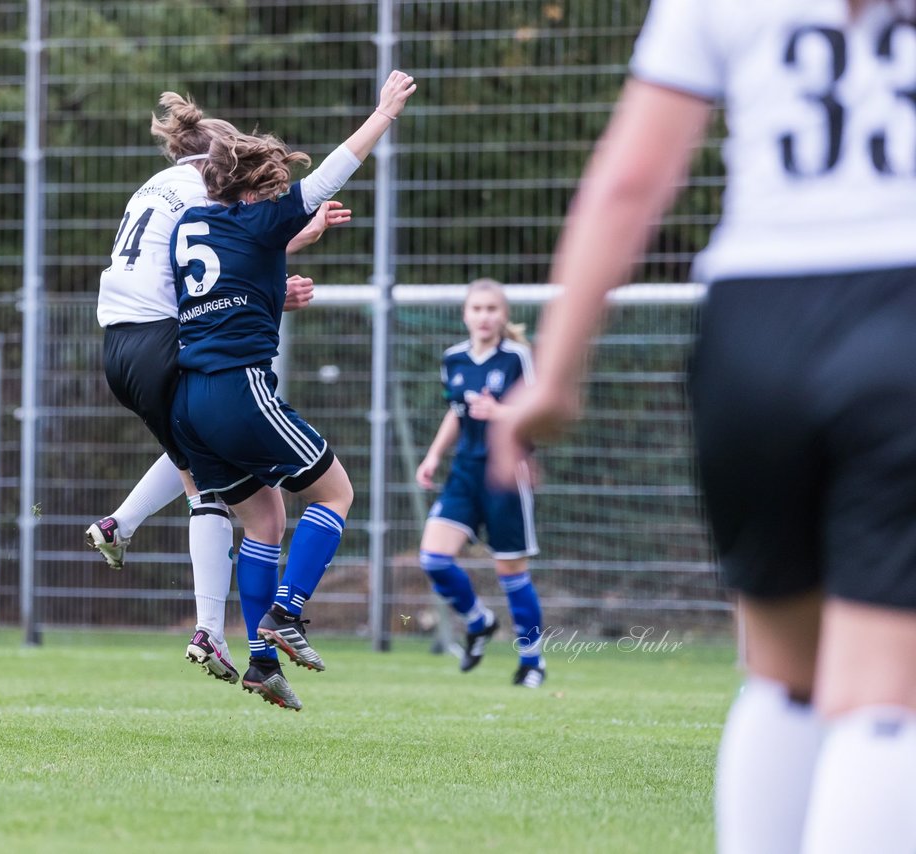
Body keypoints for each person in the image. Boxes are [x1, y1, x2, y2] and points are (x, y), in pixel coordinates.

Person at [493, 0, 916, 850]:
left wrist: (555, 374)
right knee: (884, 693)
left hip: (752, 331)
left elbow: (630, 181)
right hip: (902, 307)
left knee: (783, 675)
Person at [170, 70, 418, 710]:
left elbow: (237, 270)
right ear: (258, 191)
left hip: (190, 402)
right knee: (336, 492)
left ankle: (259, 662)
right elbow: (335, 169)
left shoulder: (192, 226)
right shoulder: (262, 220)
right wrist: (383, 114)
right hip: (239, 389)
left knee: (264, 519)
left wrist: (294, 239)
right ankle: (286, 613)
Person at [89, 92, 350, 686]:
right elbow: (223, 264)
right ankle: (209, 625)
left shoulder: (157, 186)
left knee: (243, 493)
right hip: (166, 338)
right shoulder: (207, 189)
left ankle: (123, 527)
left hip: (119, 342)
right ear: (218, 162)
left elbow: (204, 263)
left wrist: (285, 262)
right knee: (206, 486)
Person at [414, 278, 545, 687]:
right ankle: (479, 621)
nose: (485, 316)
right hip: (465, 473)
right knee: (433, 558)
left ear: (503, 315)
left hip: (506, 474)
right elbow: (457, 412)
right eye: (477, 308)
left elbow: (538, 411)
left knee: (512, 572)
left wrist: (501, 413)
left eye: (492, 309)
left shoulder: (517, 357)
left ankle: (532, 662)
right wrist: (434, 455)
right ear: (466, 314)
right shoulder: (454, 359)